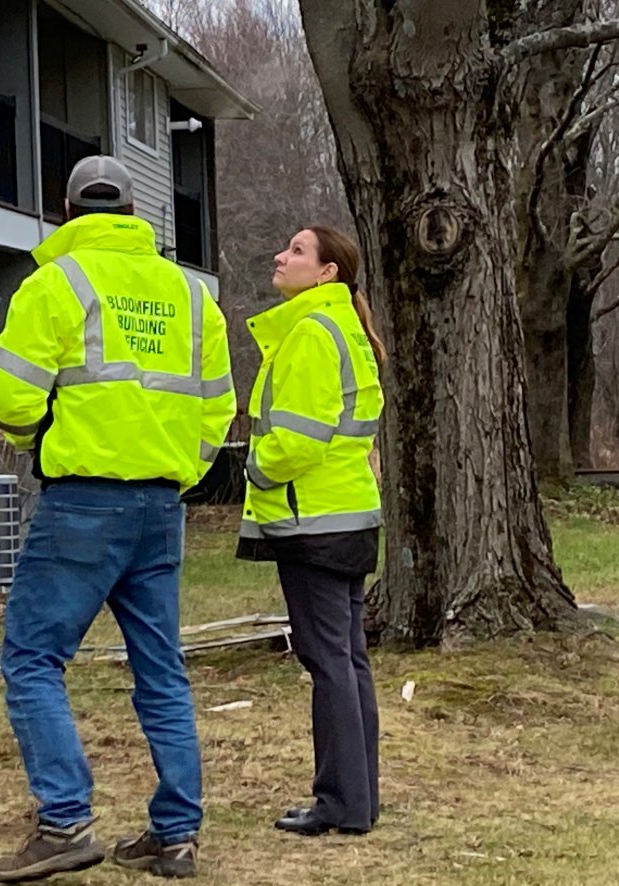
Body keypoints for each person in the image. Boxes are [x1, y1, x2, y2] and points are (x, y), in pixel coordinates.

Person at [0, 155, 236, 882]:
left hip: (83, 501)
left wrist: (41, 440)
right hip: (160, 504)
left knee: (32, 658)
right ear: (131, 214)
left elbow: (11, 392)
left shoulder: (56, 283)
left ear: (67, 210)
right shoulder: (189, 295)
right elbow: (217, 404)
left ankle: (63, 821)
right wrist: (179, 467)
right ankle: (175, 834)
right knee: (161, 670)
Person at [237, 225, 385, 837]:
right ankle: (360, 798)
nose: (281, 256)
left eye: (297, 251)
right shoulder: (344, 327)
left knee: (329, 662)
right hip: (348, 516)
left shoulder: (309, 334)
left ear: (327, 272)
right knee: (348, 660)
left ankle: (341, 804)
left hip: (311, 522)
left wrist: (254, 464)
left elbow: (299, 438)